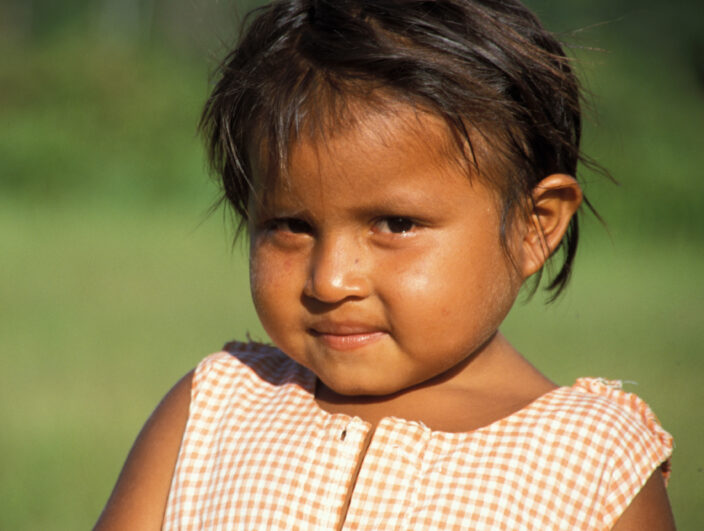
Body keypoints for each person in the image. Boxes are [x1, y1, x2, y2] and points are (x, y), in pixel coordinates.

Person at [95, 1, 674, 529]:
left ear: (535, 225)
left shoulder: (590, 462)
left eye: (396, 224)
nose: (330, 280)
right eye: (290, 226)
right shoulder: (214, 410)